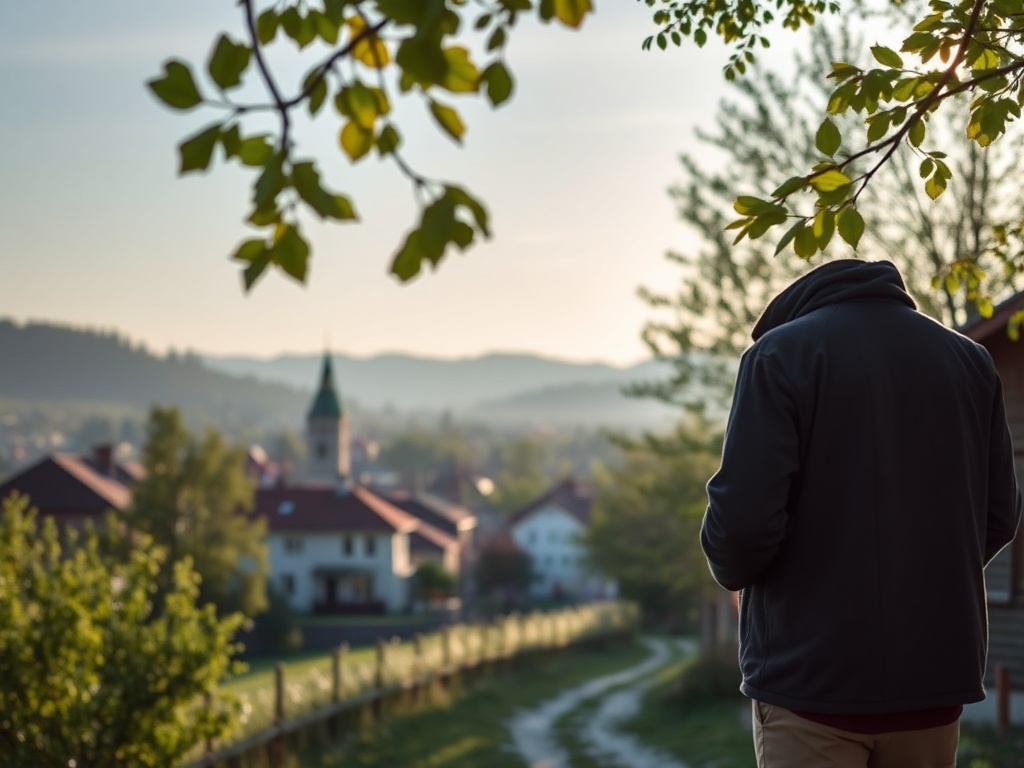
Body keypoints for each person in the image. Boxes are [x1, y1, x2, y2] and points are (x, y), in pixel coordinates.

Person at [701, 259, 1022, 767]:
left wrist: (739, 575)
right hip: (933, 687)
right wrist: (923, 578)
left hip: (810, 685)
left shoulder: (777, 356)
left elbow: (741, 525)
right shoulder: (970, 361)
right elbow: (1001, 514)